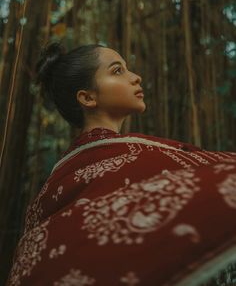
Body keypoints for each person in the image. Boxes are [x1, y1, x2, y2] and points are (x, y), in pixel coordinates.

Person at [6, 42, 236, 286]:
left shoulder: (57, 180)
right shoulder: (138, 157)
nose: (136, 77)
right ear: (87, 97)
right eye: (117, 71)